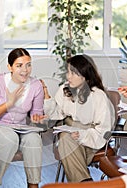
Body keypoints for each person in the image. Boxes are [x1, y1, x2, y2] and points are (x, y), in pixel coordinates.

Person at [42, 54, 115, 182]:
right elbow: (56, 114)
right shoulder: (65, 89)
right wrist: (47, 97)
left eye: (73, 73)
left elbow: (103, 129)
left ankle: (83, 183)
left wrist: (82, 135)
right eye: (68, 72)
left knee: (66, 139)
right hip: (69, 132)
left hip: (92, 138)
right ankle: (85, 182)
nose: (68, 77)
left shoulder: (98, 96)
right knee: (66, 137)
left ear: (85, 75)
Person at [0, 48, 45, 188]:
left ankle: (33, 185)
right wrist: (9, 103)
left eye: (28, 64)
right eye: (19, 65)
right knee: (10, 138)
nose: (25, 70)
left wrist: (38, 118)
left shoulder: (36, 85)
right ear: (9, 67)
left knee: (34, 138)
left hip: (21, 128)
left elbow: (37, 113)